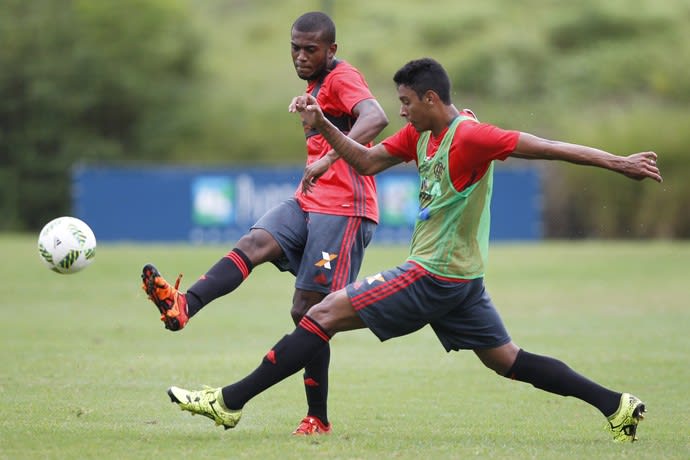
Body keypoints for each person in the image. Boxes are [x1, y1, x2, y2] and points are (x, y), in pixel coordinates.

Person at [162, 58, 662, 442]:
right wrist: (323, 125)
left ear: (429, 98)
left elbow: (547, 146)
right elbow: (367, 159)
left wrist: (618, 162)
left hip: (434, 273)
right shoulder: (421, 135)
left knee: (322, 312)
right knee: (508, 361)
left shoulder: (472, 138)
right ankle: (615, 406)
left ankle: (228, 402)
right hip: (463, 280)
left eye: (405, 101)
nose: (398, 110)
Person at [140, 11, 388, 436]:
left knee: (308, 313)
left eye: (311, 49)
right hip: (310, 200)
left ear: (332, 50)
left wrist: (329, 155)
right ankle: (184, 305)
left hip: (345, 210)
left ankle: (318, 418)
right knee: (254, 243)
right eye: (295, 47)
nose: (301, 56)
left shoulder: (344, 77)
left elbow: (376, 117)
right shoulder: (315, 87)